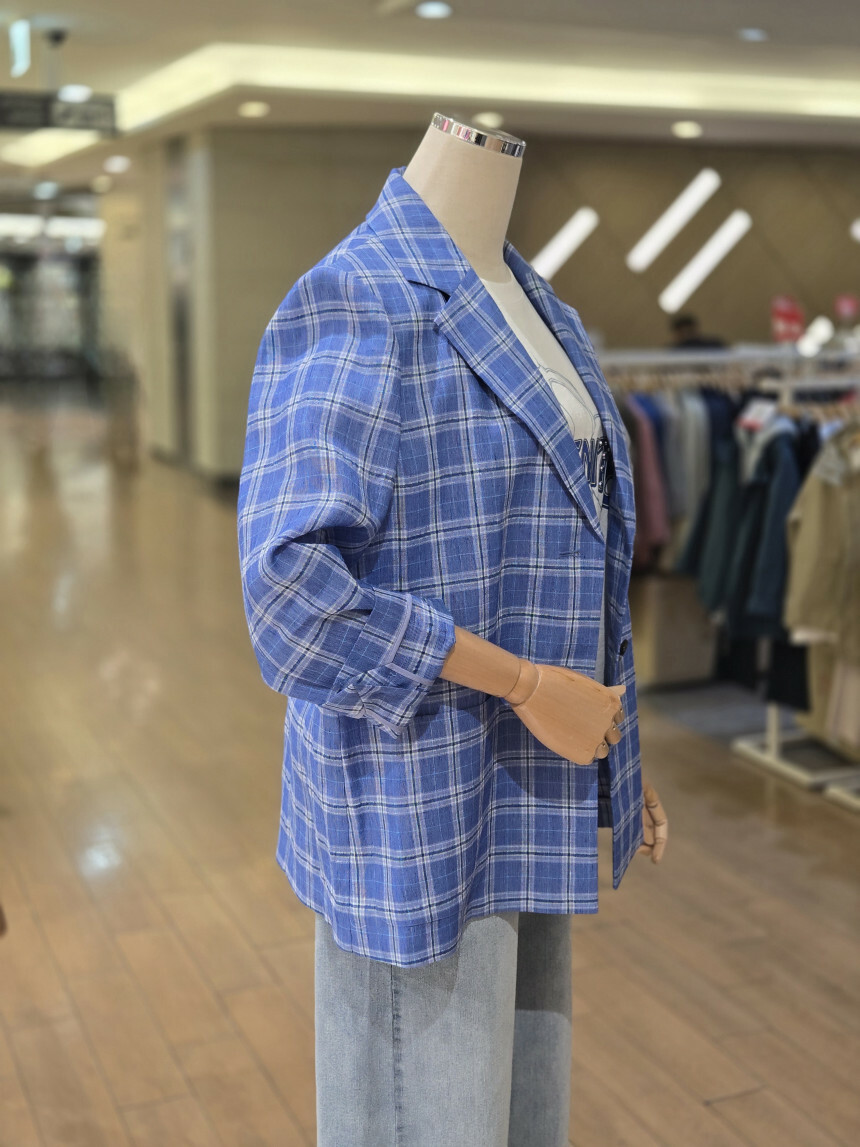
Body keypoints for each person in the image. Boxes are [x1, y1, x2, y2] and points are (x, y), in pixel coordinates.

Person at [238, 114, 667, 1147]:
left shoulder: (538, 305)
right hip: (417, 794)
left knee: (518, 1113)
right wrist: (525, 684)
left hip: (532, 787)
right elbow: (291, 594)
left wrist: (612, 739)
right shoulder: (360, 296)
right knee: (427, 1118)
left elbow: (566, 545)